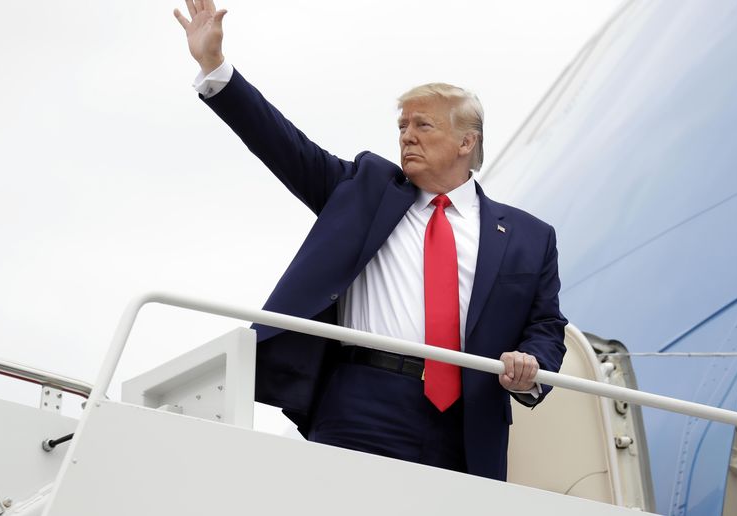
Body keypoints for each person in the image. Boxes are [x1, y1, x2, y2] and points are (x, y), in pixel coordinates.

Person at [174, 0, 567, 481]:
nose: (407, 137)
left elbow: (546, 325)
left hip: (468, 422)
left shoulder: (530, 236)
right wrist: (215, 67)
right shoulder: (365, 189)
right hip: (361, 399)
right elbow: (282, 144)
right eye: (402, 126)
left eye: (423, 125)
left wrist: (530, 366)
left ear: (467, 141)